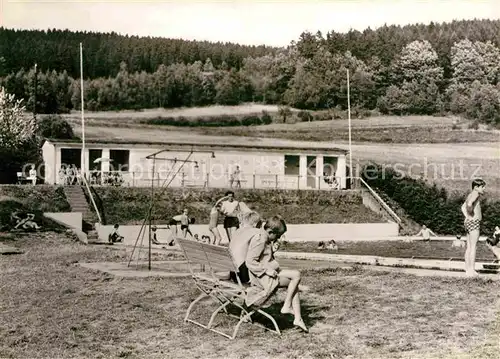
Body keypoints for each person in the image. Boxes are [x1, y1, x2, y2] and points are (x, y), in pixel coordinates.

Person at [245, 215, 308, 332]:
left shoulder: (263, 237)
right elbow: (250, 261)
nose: (277, 238)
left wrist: (272, 251)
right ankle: (289, 309)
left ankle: (296, 316)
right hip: (263, 278)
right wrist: (267, 271)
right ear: (270, 231)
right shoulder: (260, 239)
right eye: (277, 236)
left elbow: (263, 257)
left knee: (296, 276)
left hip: (267, 274)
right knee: (294, 280)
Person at [228, 211, 262, 284]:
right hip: (242, 274)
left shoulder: (237, 231)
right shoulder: (256, 231)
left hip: (232, 272)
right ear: (256, 224)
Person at [461, 178, 486, 277]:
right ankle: (471, 270)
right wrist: (471, 213)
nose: (484, 189)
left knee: (469, 247)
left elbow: (463, 207)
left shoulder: (470, 194)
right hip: (474, 222)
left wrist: (467, 216)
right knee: (473, 247)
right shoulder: (476, 194)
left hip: (469, 222)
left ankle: (468, 269)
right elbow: (469, 204)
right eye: (482, 187)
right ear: (476, 187)